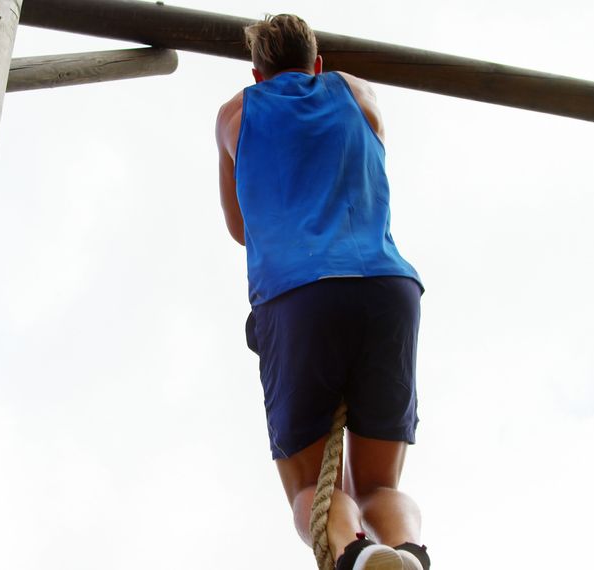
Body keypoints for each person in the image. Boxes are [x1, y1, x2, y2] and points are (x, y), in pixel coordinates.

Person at [214, 14, 431, 570]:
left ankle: (356, 555)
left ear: (256, 72)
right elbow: (373, 161)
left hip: (296, 297)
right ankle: (406, 551)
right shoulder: (359, 93)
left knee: (308, 488)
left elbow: (240, 227)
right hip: (386, 286)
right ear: (317, 62)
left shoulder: (235, 115)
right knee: (379, 486)